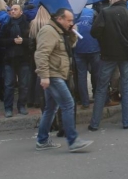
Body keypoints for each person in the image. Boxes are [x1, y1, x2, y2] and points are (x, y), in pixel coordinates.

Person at [34, 8, 93, 152]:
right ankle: (73, 141)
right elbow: (41, 54)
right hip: (53, 74)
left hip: (58, 73)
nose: (71, 22)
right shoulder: (48, 31)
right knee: (68, 104)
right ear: (59, 19)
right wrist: (44, 76)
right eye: (69, 20)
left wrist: (72, 33)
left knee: (51, 108)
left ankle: (42, 140)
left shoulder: (59, 31)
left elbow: (68, 47)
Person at [89, 0, 128, 131]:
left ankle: (95, 123)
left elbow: (94, 32)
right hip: (126, 55)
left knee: (101, 88)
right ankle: (127, 121)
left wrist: (104, 41)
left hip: (108, 55)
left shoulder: (105, 13)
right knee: (125, 88)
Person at [0, 4, 31, 117]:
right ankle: (8, 108)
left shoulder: (26, 25)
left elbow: (32, 42)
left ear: (21, 12)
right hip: (9, 59)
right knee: (8, 85)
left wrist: (23, 41)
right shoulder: (6, 25)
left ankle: (21, 105)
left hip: (24, 59)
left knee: (24, 85)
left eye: (15, 9)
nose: (12, 11)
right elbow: (0, 41)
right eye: (11, 9)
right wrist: (12, 41)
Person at [73, 6, 102, 109]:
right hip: (93, 47)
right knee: (97, 74)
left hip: (78, 48)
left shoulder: (72, 14)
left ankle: (85, 102)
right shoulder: (93, 12)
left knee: (81, 76)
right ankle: (99, 99)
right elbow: (99, 28)